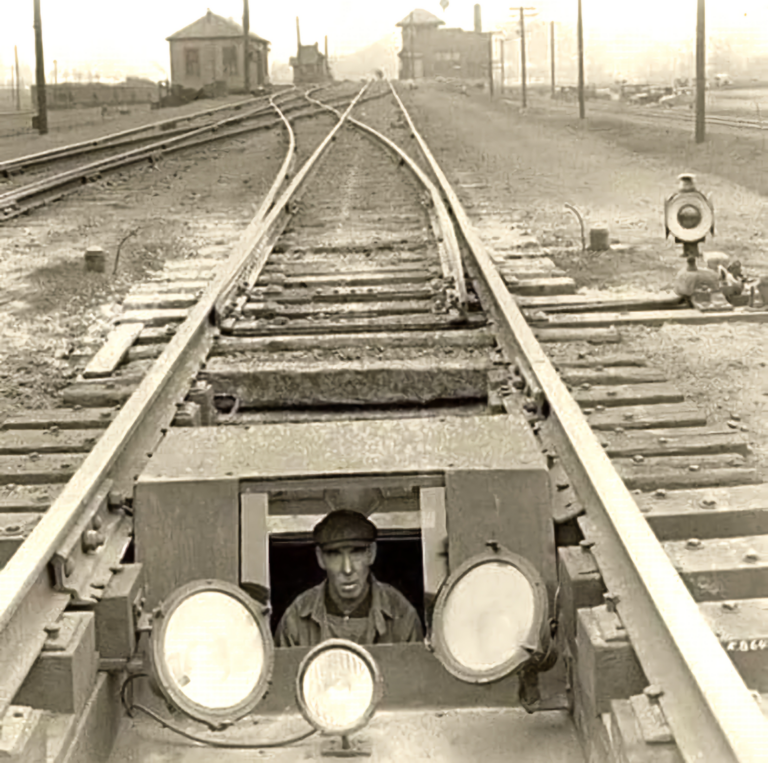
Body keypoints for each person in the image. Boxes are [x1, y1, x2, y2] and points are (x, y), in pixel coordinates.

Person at [275, 509, 424, 647]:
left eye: (356, 552)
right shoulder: (297, 616)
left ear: (371, 553)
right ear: (320, 558)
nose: (347, 569)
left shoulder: (401, 613)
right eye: (335, 554)